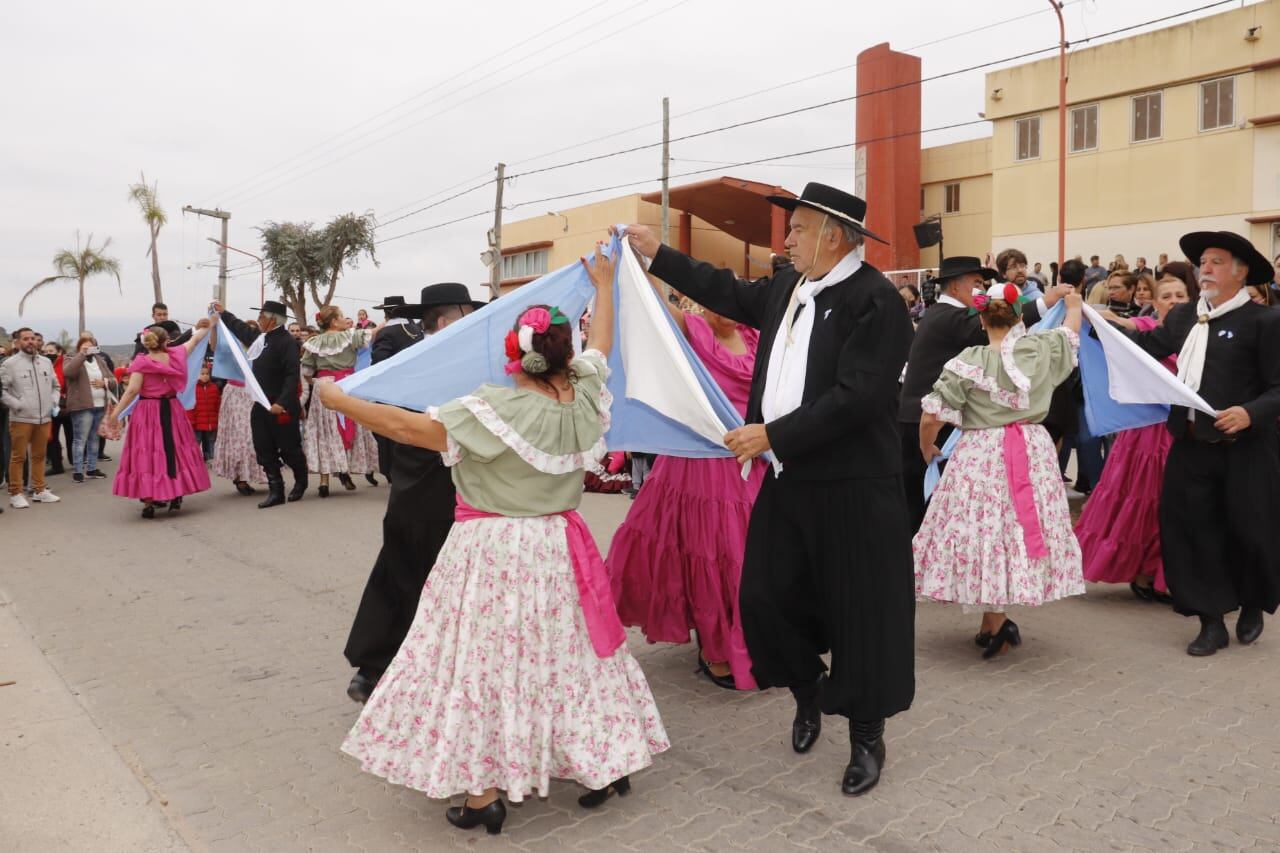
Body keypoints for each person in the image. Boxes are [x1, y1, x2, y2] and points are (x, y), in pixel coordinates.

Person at [324, 247, 668, 835]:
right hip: (560, 548)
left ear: (514, 355)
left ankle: (484, 793)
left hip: (491, 553)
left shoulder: (491, 409)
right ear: (565, 352)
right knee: (572, 658)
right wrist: (603, 287)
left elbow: (409, 426)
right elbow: (601, 348)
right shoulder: (585, 395)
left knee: (487, 665)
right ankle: (606, 763)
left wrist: (338, 397)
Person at [621, 181, 915, 797]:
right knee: (765, 598)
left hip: (854, 486)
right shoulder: (788, 287)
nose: (788, 239)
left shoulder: (874, 300)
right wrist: (658, 254)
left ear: (834, 236)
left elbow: (859, 397)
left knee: (862, 613)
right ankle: (808, 693)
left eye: (799, 228)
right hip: (789, 478)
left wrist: (772, 434)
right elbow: (726, 292)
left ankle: (866, 735)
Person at [1125, 231, 1280, 656]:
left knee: (1250, 533)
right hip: (1191, 445)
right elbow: (1144, 348)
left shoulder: (1265, 321)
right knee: (1193, 533)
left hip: (1247, 450)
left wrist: (1251, 412)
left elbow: (1277, 387)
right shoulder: (1183, 319)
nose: (1204, 269)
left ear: (1240, 271)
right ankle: (1210, 621)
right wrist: (1091, 324)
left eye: (1215, 262)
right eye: (1202, 263)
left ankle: (1252, 604)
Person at [914, 283, 1085, 657]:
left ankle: (997, 622)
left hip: (981, 453)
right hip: (1033, 450)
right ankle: (995, 622)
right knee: (1012, 530)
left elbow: (931, 416)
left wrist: (927, 448)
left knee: (988, 530)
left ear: (981, 317)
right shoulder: (1042, 349)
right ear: (1020, 316)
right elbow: (1072, 330)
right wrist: (1072, 304)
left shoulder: (969, 360)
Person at [608, 284, 764, 691]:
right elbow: (649, 298)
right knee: (712, 557)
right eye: (718, 300)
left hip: (750, 459)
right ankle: (714, 649)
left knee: (749, 559)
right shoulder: (693, 329)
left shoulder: (755, 337)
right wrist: (639, 259)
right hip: (698, 465)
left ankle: (752, 640)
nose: (726, 309)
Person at [343, 283, 483, 704]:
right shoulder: (424, 362)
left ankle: (386, 666)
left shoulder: (451, 358)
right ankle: (379, 667)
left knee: (415, 570)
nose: (471, 320)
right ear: (444, 321)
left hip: (443, 482)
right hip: (427, 480)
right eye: (464, 313)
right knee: (410, 567)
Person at [1076, 264, 1196, 602]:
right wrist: (1080, 307)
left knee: (1173, 506)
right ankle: (1145, 574)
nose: (1173, 301)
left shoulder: (1198, 335)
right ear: (1154, 303)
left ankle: (1166, 574)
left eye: (1180, 295)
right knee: (1145, 503)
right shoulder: (1146, 327)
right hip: (1145, 436)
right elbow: (1114, 324)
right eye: (1166, 296)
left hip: (1180, 434)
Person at [898, 256, 996, 533]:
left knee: (920, 502)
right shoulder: (949, 316)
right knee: (927, 505)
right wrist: (1045, 304)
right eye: (977, 283)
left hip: (920, 419)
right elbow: (997, 320)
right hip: (926, 422)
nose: (982, 290)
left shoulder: (941, 314)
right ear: (955, 287)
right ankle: (917, 569)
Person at [105, 322, 212, 517]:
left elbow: (132, 390)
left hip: (147, 411)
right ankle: (176, 493)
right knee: (176, 449)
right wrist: (210, 322)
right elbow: (196, 339)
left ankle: (149, 502)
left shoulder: (141, 362)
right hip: (172, 409)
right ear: (167, 341)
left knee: (149, 452)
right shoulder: (177, 354)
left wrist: (116, 413)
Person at [214, 300, 308, 508]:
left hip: (281, 405)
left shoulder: (287, 342)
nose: (258, 320)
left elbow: (292, 376)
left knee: (290, 449)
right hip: (261, 404)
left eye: (262, 316)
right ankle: (277, 490)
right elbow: (240, 329)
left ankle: (301, 481)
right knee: (263, 447)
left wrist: (282, 402)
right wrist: (224, 313)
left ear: (272, 319)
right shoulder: (260, 339)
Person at [299, 305, 379, 496]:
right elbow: (373, 333)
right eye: (342, 316)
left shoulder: (314, 342)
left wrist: (320, 380)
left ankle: (324, 481)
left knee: (325, 432)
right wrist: (389, 321)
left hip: (324, 387)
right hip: (346, 385)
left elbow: (306, 372)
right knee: (346, 428)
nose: (345, 319)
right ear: (334, 321)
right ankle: (344, 470)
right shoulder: (350, 336)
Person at [2, 328, 61, 508]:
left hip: (44, 417)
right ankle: (16, 493)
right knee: (18, 457)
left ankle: (39, 490)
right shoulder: (9, 364)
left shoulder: (45, 362)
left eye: (33, 338)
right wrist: (18, 405)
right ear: (18, 342)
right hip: (21, 418)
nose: (30, 342)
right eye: (26, 339)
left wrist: (53, 402)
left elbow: (55, 385)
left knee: (39, 455)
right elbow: (2, 391)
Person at [212, 319, 268, 496]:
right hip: (235, 393)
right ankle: (240, 477)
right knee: (239, 435)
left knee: (254, 436)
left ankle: (248, 474)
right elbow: (215, 347)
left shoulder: (260, 349)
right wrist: (214, 327)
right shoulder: (232, 348)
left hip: (255, 394)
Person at [63, 334, 116, 483]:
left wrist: (104, 382)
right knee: (80, 439)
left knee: (94, 439)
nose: (88, 349)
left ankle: (92, 468)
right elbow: (68, 372)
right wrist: (81, 355)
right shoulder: (70, 358)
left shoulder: (100, 360)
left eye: (90, 346)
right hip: (82, 406)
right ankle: (78, 471)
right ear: (78, 347)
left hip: (100, 405)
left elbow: (113, 379)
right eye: (84, 346)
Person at [187, 363, 221, 462]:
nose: (205, 376)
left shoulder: (214, 388)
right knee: (196, 441)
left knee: (211, 441)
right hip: (197, 422)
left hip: (211, 421)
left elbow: (217, 404)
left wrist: (218, 418)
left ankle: (211, 458)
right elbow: (190, 406)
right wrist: (191, 420)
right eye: (202, 373)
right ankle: (194, 459)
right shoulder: (193, 388)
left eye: (207, 374)